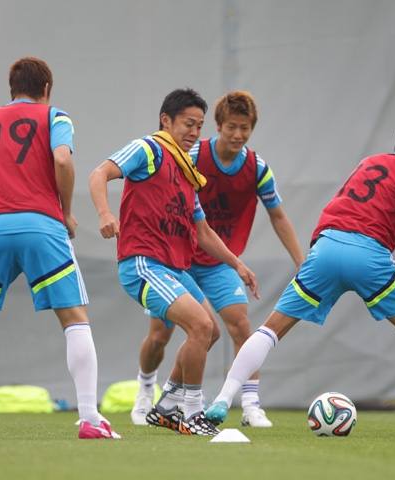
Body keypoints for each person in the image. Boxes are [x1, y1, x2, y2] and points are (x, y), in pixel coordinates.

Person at [204, 113, 395, 438]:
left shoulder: (370, 163)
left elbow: (372, 205)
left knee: (272, 329)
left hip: (326, 248)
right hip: (368, 255)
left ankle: (223, 398)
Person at [0, 57, 119, 440]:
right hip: (42, 225)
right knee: (74, 318)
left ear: (11, 88)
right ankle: (89, 419)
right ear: (47, 88)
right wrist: (66, 211)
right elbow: (63, 159)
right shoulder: (55, 117)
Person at [88, 87, 259, 436]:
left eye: (198, 126)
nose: (194, 132)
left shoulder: (186, 171)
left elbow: (205, 233)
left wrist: (238, 265)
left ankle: (166, 404)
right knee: (197, 326)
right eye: (187, 124)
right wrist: (105, 213)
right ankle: (193, 411)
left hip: (173, 268)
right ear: (166, 121)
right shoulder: (148, 148)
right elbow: (98, 174)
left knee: (208, 331)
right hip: (143, 263)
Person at [129, 90, 305, 428]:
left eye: (245, 128)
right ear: (218, 125)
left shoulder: (257, 168)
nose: (238, 135)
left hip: (218, 261)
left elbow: (278, 217)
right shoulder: (190, 155)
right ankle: (145, 391)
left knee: (240, 327)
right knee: (159, 336)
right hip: (178, 258)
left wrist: (302, 262)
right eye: (231, 128)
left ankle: (251, 405)